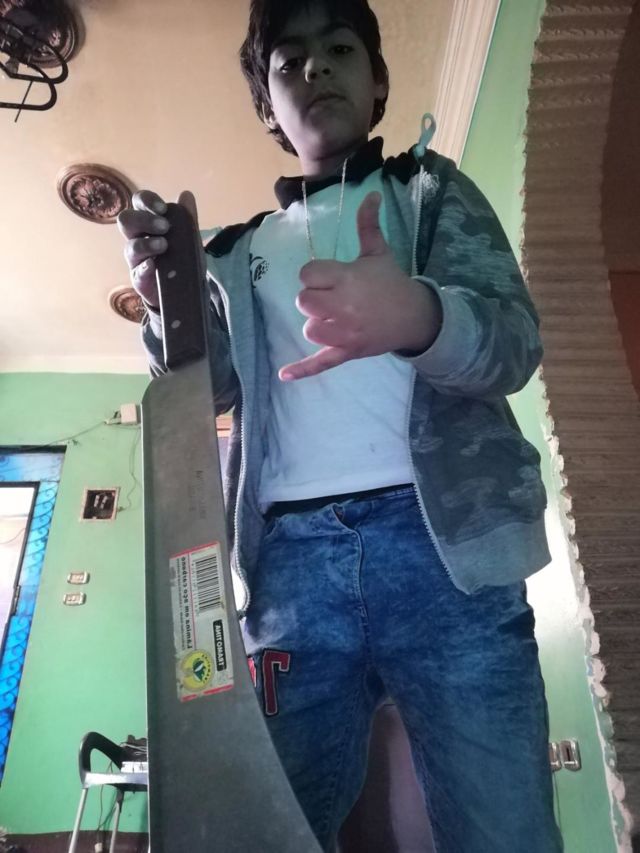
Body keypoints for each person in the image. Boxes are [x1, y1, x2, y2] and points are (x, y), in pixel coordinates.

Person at [117, 1, 563, 850]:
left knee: (504, 830)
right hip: (291, 574)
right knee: (257, 830)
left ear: (379, 80)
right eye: (288, 62)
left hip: (451, 559)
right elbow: (203, 386)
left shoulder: (431, 193)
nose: (315, 68)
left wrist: (420, 314)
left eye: (340, 48)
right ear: (267, 106)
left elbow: (513, 342)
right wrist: (162, 297)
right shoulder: (232, 253)